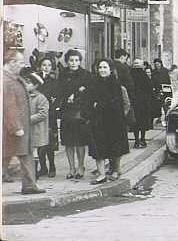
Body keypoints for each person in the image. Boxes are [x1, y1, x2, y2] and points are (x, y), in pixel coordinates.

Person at [2, 50, 46, 194]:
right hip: (13, 127)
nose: (23, 65)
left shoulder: (14, 77)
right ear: (12, 63)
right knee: (6, 156)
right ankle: (29, 185)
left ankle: (29, 186)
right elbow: (8, 106)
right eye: (20, 62)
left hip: (21, 126)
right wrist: (15, 127)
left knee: (25, 155)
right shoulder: (6, 80)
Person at [87, 59, 130, 184]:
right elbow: (88, 102)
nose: (102, 70)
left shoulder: (118, 86)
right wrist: (91, 111)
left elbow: (125, 104)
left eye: (105, 67)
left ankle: (116, 170)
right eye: (100, 67)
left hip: (114, 122)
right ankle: (101, 174)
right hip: (98, 121)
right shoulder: (94, 85)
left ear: (110, 70)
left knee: (115, 147)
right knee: (98, 148)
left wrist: (121, 117)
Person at [57, 49, 92, 180]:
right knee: (68, 142)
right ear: (67, 61)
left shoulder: (86, 75)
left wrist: (77, 95)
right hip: (66, 111)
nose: (73, 63)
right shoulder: (62, 74)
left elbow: (88, 92)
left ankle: (81, 166)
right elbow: (59, 90)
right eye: (71, 60)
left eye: (76, 60)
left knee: (79, 141)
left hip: (80, 111)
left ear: (80, 61)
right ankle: (71, 167)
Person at [22, 71, 50, 181]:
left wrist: (27, 119)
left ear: (36, 85)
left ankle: (34, 174)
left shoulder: (41, 98)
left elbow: (43, 114)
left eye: (28, 83)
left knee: (33, 151)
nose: (25, 84)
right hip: (26, 129)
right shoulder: (24, 96)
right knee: (28, 151)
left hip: (36, 129)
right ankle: (29, 172)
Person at [36, 57, 60, 178]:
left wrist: (53, 105)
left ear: (52, 67)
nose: (46, 67)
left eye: (49, 65)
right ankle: (43, 166)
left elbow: (57, 97)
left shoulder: (54, 81)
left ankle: (52, 166)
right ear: (40, 66)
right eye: (44, 65)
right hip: (38, 114)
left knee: (50, 141)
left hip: (50, 115)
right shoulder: (35, 79)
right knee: (39, 142)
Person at [130, 59, 153, 148]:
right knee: (143, 122)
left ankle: (136, 141)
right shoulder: (144, 75)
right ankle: (143, 140)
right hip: (143, 103)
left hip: (134, 102)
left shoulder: (130, 74)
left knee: (135, 122)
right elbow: (150, 88)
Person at [151, 58, 171, 122]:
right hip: (157, 90)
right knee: (158, 104)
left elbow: (169, 80)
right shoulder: (153, 72)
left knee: (165, 104)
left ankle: (166, 117)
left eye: (158, 64)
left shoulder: (166, 71)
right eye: (156, 64)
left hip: (165, 90)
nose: (157, 65)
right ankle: (159, 117)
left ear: (161, 63)